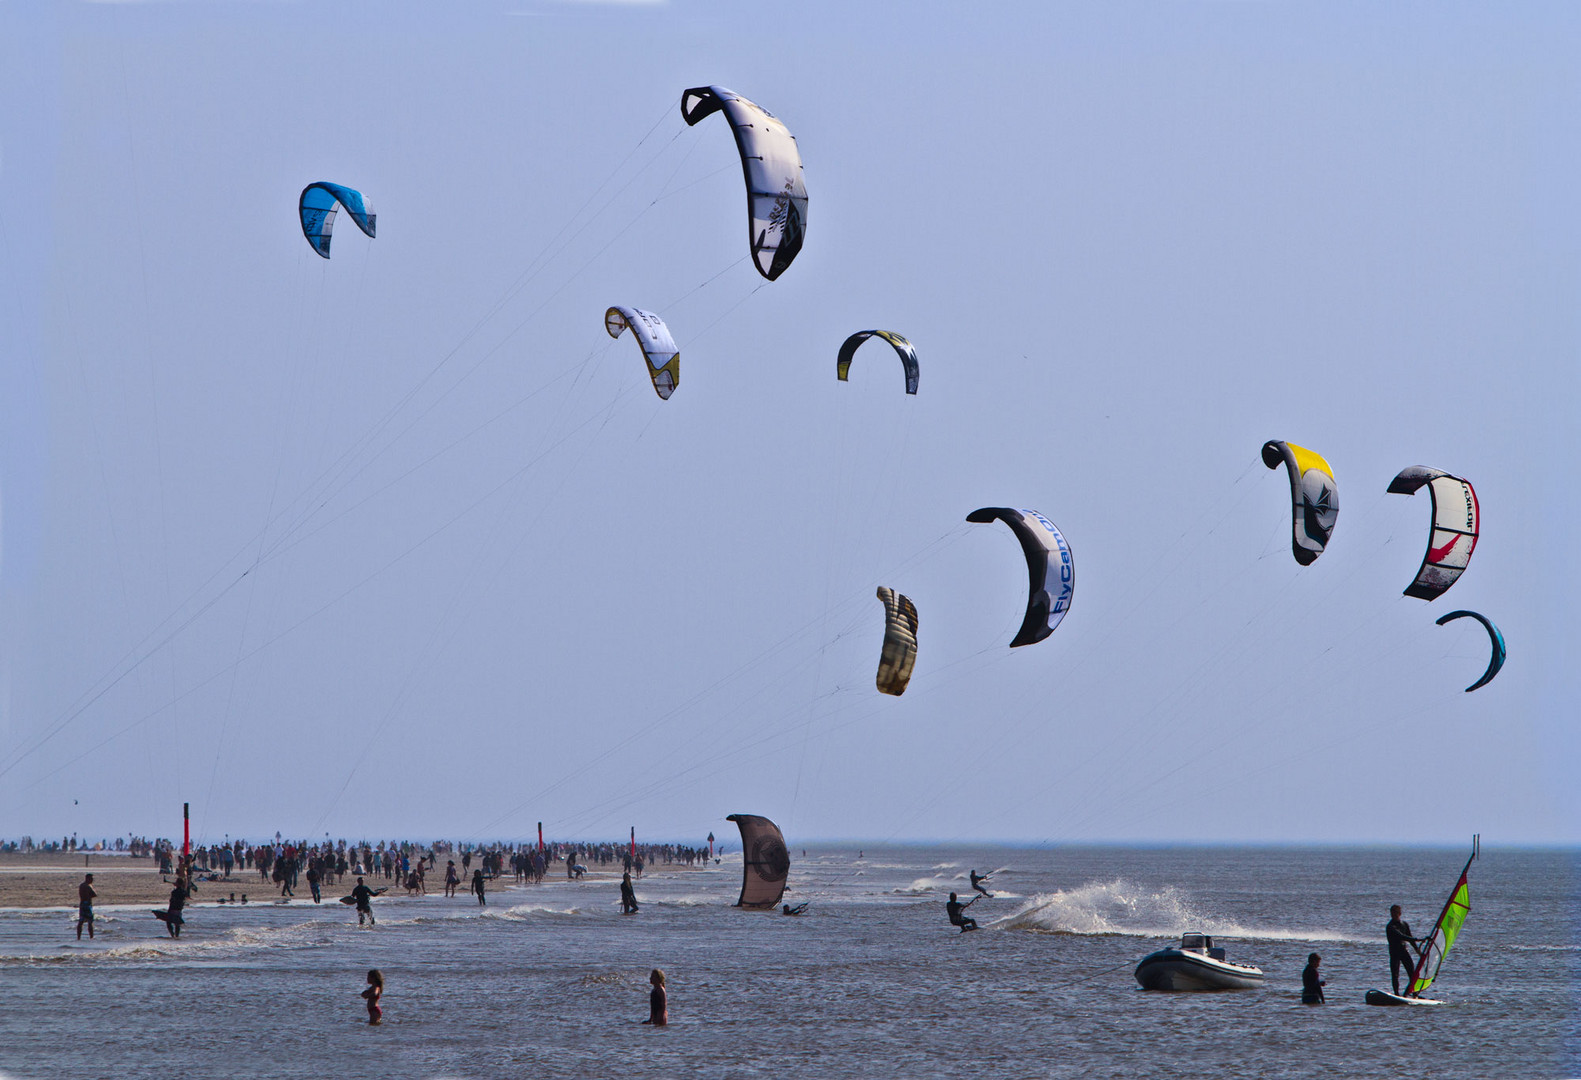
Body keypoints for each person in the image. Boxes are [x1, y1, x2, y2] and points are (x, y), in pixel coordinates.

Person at [1386, 904, 1422, 995]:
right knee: (1395, 975)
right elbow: (1400, 936)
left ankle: (1413, 994)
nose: (1393, 915)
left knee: (1412, 974)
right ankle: (1396, 994)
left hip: (1403, 951)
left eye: (1395, 913)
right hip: (1394, 953)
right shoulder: (1390, 926)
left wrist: (1417, 950)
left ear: (1400, 913)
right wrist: (1416, 939)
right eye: (1392, 913)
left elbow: (1410, 937)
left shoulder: (1404, 924)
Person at [76, 874, 96, 940]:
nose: (92, 880)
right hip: (87, 904)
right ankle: (91, 937)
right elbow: (94, 894)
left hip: (82, 904)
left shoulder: (81, 885)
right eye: (91, 879)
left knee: (81, 921)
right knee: (90, 921)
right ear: (87, 878)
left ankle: (78, 937)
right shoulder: (88, 886)